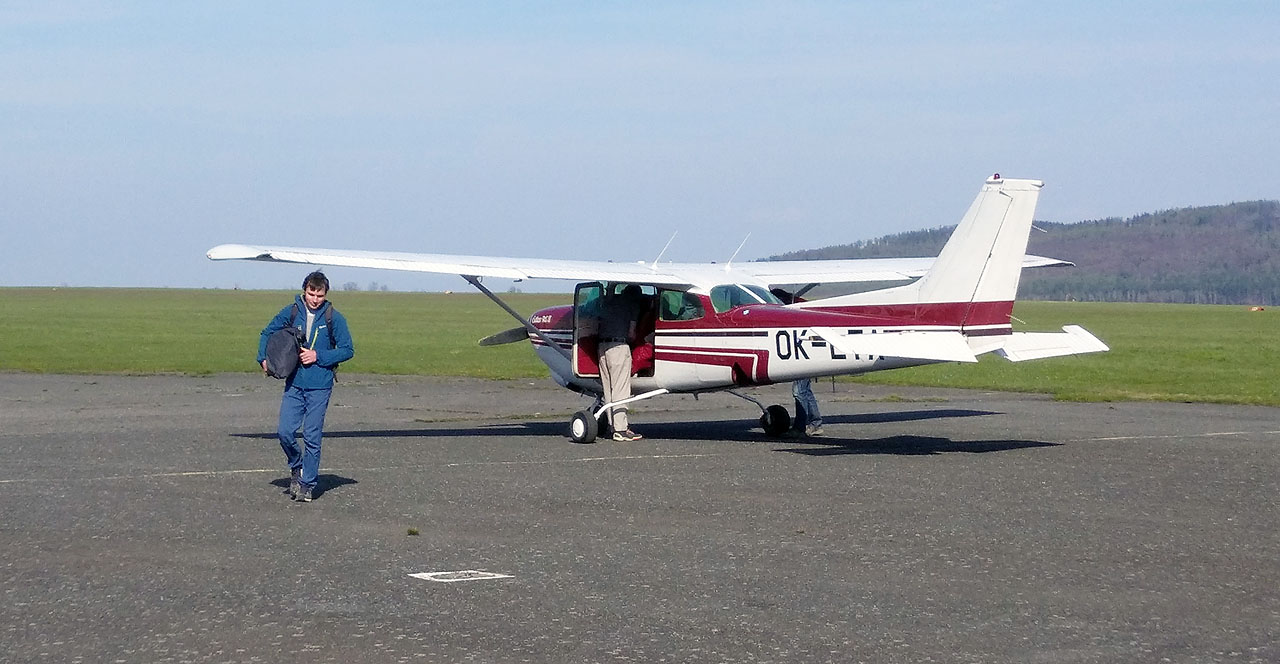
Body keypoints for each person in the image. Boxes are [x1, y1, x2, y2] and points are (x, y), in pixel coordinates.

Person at [258, 271, 354, 502]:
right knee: (285, 432)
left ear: (325, 294)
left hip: (320, 385)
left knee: (312, 435)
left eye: (319, 295)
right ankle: (296, 466)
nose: (314, 299)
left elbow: (347, 350)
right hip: (294, 381)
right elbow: (267, 332)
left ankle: (307, 484)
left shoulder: (334, 318)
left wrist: (317, 355)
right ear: (305, 291)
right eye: (311, 293)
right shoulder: (291, 312)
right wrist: (263, 358)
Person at [771, 288, 824, 437]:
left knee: (798, 391)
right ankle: (815, 423)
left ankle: (800, 428)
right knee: (805, 390)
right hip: (811, 353)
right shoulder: (805, 306)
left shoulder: (792, 311)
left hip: (803, 354)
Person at [598, 284, 645, 442]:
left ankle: (614, 427)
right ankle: (620, 430)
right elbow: (631, 334)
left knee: (608, 389)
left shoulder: (608, 302)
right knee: (621, 388)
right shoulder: (633, 306)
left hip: (602, 347)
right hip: (619, 347)